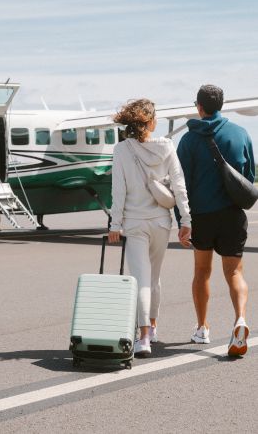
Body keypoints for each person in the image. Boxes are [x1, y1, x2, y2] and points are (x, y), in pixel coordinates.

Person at [109, 98, 191, 357]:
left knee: (141, 280)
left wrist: (115, 223)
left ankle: (143, 337)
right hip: (161, 222)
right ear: (151, 122)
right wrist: (186, 220)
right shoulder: (166, 146)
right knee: (154, 279)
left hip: (134, 224)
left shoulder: (122, 150)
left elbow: (118, 191)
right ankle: (152, 328)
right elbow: (179, 186)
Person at [177, 84, 254, 356]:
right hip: (233, 214)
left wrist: (181, 220)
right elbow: (248, 175)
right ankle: (240, 320)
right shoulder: (241, 133)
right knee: (234, 273)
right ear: (222, 105)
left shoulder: (188, 140)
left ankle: (202, 328)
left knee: (201, 272)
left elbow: (181, 184)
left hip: (201, 216)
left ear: (198, 106)